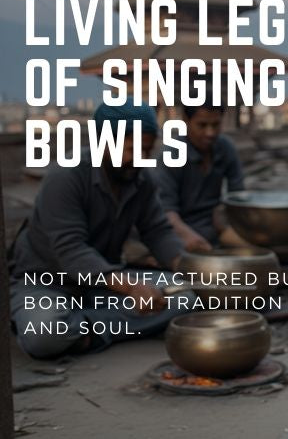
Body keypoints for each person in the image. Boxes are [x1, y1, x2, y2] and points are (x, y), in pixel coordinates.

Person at [8, 100, 196, 359]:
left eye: (147, 150)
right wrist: (132, 289)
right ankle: (88, 327)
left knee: (186, 295)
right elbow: (72, 251)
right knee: (45, 332)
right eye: (132, 150)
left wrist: (187, 265)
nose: (140, 159)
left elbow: (157, 231)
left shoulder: (141, 178)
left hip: (104, 284)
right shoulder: (66, 177)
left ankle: (86, 331)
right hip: (47, 284)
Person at [154, 102, 245, 251]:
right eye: (202, 125)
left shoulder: (226, 148)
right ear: (186, 121)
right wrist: (194, 240)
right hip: (180, 231)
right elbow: (167, 213)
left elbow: (238, 197)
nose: (210, 133)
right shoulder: (171, 154)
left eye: (216, 125)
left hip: (216, 227)